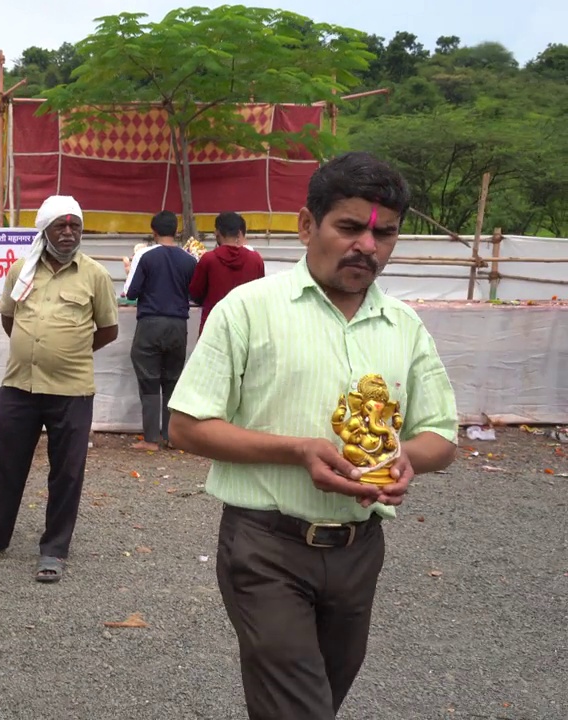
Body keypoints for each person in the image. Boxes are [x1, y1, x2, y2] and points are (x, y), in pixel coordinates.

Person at [166, 152, 459, 720]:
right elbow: (186, 426)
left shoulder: (404, 325)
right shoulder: (248, 311)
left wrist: (405, 459)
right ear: (307, 226)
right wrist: (298, 450)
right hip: (265, 548)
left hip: (358, 552)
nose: (368, 246)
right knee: (300, 707)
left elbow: (441, 436)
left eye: (385, 234)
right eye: (350, 227)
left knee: (321, 695)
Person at [0, 195, 119, 583]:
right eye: (60, 226)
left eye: (74, 226)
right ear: (44, 230)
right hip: (18, 386)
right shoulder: (20, 270)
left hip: (72, 389)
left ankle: (54, 550)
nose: (68, 233)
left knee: (67, 473)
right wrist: (35, 350)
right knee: (4, 466)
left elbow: (108, 330)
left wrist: (71, 351)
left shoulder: (94, 274)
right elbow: (9, 320)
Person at [125, 210, 197, 451]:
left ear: (153, 231)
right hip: (178, 325)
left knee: (149, 379)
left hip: (150, 323)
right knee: (172, 380)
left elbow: (132, 292)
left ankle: (150, 439)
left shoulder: (145, 257)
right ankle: (171, 436)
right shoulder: (189, 260)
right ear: (177, 232)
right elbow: (195, 294)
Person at [189, 211, 265, 337]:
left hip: (213, 327)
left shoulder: (209, 259)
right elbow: (260, 294)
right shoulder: (255, 259)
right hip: (245, 327)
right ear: (240, 233)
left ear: (217, 233)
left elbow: (196, 292)